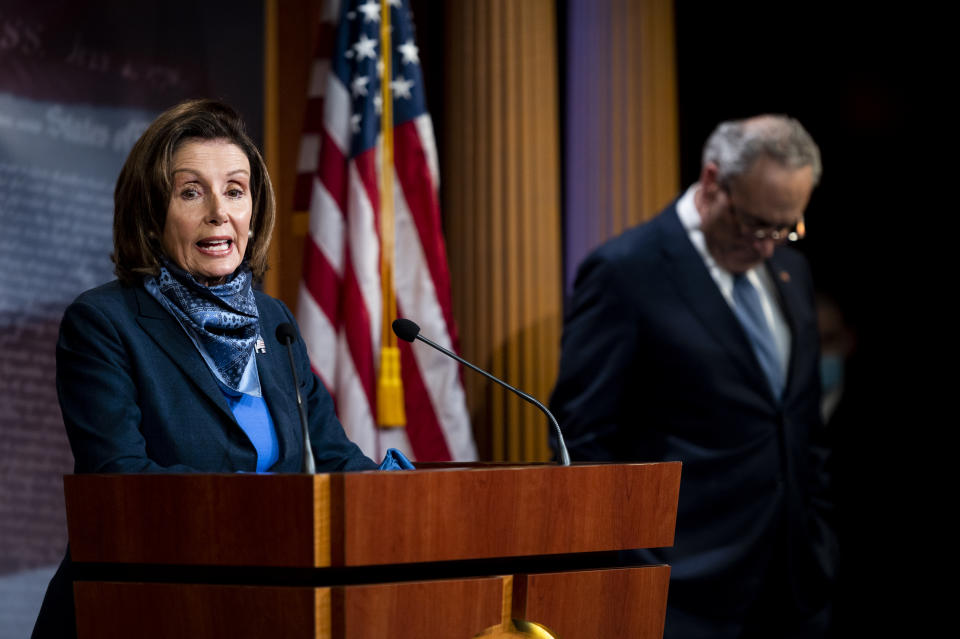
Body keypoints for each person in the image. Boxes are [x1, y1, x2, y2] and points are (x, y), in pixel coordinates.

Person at [33, 99, 381, 637]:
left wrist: (410, 497)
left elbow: (330, 455)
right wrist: (266, 510)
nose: (219, 211)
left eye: (235, 190)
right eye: (191, 191)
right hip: (143, 609)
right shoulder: (104, 323)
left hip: (261, 608)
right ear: (152, 214)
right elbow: (119, 481)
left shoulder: (272, 320)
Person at [550, 115, 836, 638]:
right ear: (712, 183)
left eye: (787, 227)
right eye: (755, 224)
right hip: (681, 599)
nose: (769, 247)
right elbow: (581, 443)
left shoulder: (792, 275)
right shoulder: (625, 272)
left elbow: (801, 429)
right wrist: (636, 574)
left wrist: (821, 548)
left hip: (794, 593)